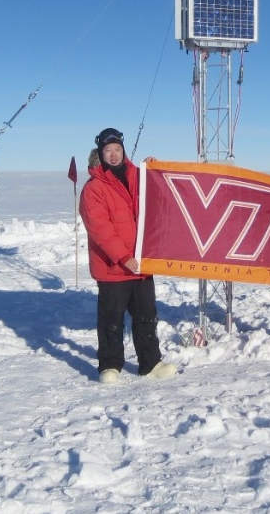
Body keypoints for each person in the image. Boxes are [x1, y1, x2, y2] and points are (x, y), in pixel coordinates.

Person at [79, 127, 177, 384]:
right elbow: (100, 229)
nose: (113, 154)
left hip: (142, 263)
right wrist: (123, 257)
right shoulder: (94, 188)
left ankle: (150, 362)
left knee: (146, 316)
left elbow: (157, 194)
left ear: (124, 151)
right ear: (100, 154)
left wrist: (154, 170)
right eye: (108, 150)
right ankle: (110, 365)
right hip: (113, 267)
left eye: (117, 149)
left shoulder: (136, 176)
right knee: (111, 319)